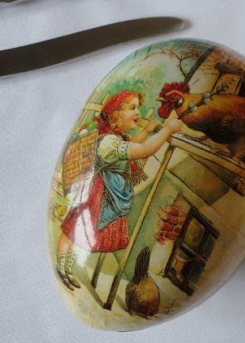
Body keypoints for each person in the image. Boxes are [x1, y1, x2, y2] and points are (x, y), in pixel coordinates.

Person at [55, 90, 183, 290]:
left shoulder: (116, 139)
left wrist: (148, 130)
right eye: (132, 108)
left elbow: (132, 145)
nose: (138, 113)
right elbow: (143, 150)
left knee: (83, 235)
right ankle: (61, 268)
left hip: (105, 195)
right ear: (115, 114)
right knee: (73, 231)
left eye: (137, 108)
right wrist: (167, 131)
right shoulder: (108, 142)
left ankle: (68, 269)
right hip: (95, 195)